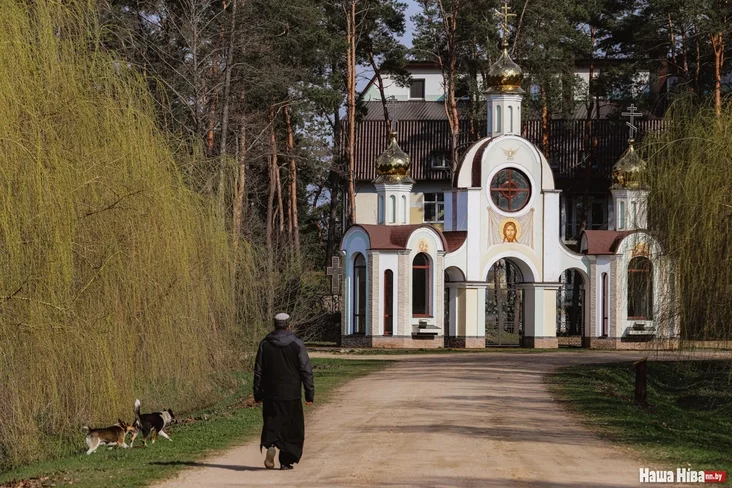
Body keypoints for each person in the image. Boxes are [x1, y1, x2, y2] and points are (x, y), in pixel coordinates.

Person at [253, 313, 314, 470]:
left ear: (274, 325)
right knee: (292, 428)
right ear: (289, 326)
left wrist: (258, 394)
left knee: (272, 422)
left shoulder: (265, 344)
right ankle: (286, 462)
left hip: (271, 393)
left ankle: (272, 444)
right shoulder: (297, 344)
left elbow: (258, 371)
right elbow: (306, 370)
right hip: (292, 394)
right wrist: (309, 394)